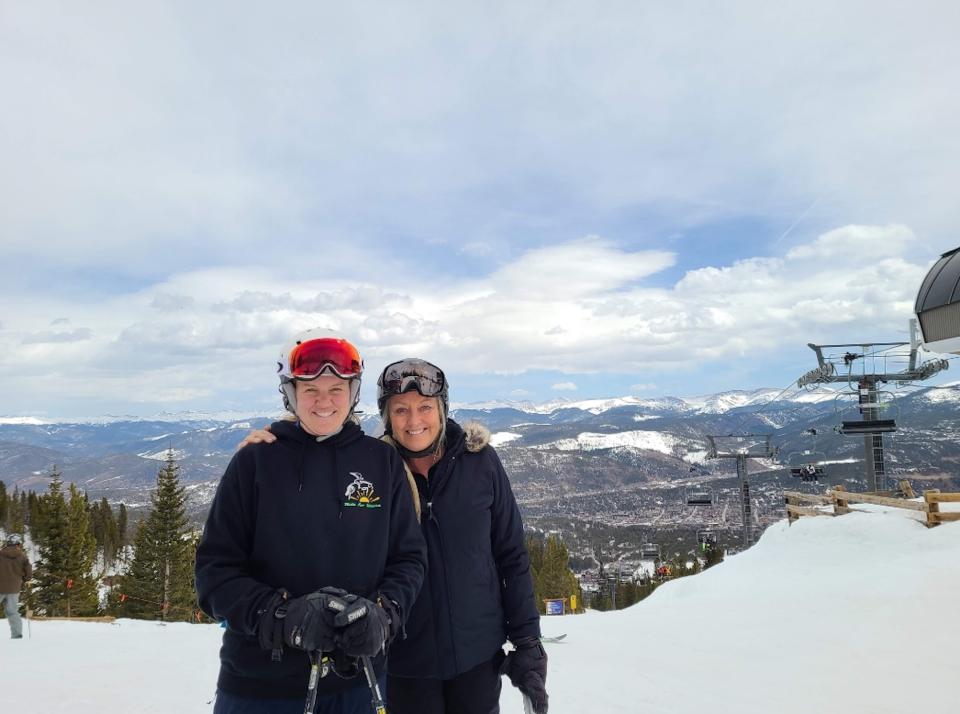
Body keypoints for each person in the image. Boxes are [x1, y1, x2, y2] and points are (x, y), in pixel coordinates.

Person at [242, 357, 548, 714]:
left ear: (442, 408)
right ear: (387, 416)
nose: (414, 421)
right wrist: (276, 443)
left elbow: (511, 555)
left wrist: (528, 641)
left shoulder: (480, 463)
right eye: (401, 410)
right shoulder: (375, 470)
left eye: (424, 408)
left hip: (478, 659)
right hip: (403, 663)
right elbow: (319, 458)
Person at [196, 329, 427, 714]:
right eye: (310, 390)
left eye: (336, 389)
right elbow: (214, 573)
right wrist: (281, 616)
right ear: (291, 394)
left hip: (358, 683)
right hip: (260, 687)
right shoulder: (255, 463)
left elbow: (409, 559)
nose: (324, 401)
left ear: (352, 393)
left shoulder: (381, 463)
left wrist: (383, 615)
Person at [0, 533, 32, 639]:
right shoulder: (22, 557)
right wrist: (26, 578)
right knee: (13, 612)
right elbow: (28, 572)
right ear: (18, 544)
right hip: (14, 589)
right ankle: (17, 635)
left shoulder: (0, 554)